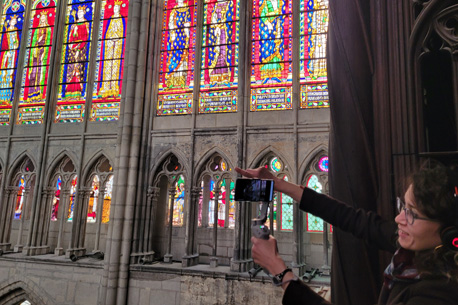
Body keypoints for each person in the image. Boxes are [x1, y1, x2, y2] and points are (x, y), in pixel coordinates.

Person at [235, 160, 458, 305]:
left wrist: (279, 271)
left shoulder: (436, 293)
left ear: (449, 233)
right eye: (403, 207)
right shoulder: (416, 252)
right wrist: (279, 184)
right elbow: (352, 218)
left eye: (412, 213)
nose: (399, 218)